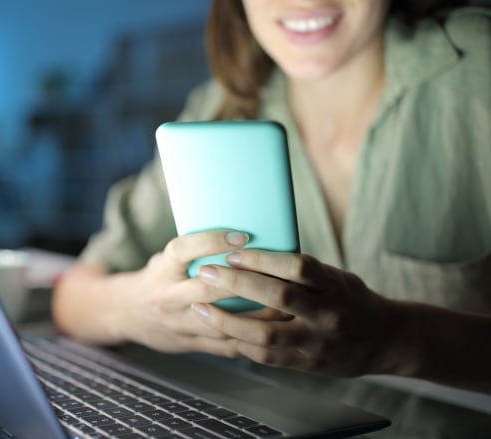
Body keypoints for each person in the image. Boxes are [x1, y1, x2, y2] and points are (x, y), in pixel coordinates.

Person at [52, 0, 491, 394]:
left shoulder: (479, 65)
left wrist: (397, 342)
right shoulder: (218, 112)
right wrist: (140, 310)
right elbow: (73, 301)